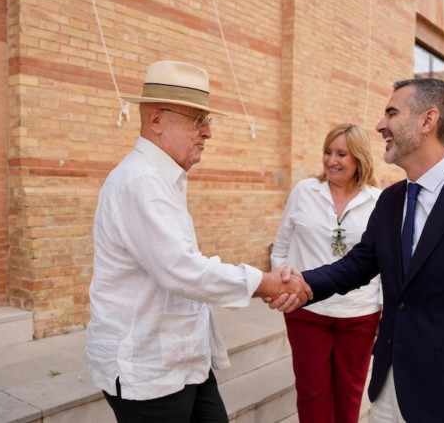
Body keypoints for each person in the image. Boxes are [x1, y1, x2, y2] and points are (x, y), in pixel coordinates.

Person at [272, 78, 444, 422]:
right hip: (389, 390)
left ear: (427, 121)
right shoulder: (390, 199)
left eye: (392, 113)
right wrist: (301, 283)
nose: (380, 125)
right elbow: (358, 265)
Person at [85, 60, 312, 423]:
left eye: (207, 120)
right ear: (156, 120)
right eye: (198, 120)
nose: (208, 132)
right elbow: (182, 270)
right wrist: (265, 283)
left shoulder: (163, 178)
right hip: (149, 370)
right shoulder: (140, 182)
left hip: (184, 360)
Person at [270, 123, 382, 423]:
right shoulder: (304, 191)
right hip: (306, 309)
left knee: (349, 394)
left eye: (341, 154)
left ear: (359, 158)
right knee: (311, 392)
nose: (332, 160)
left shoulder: (378, 200)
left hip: (359, 313)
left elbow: (383, 259)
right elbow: (281, 245)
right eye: (328, 152)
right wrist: (281, 285)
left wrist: (383, 307)